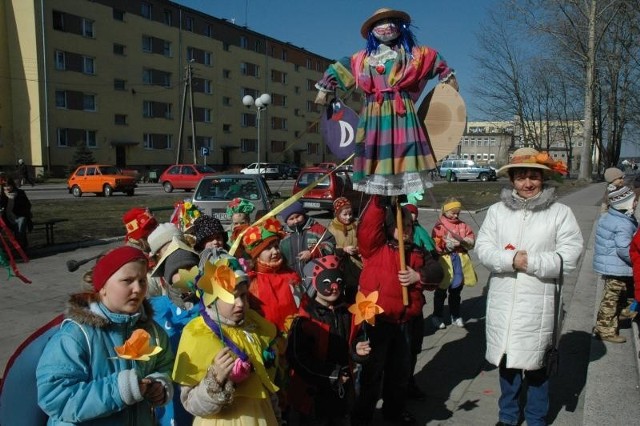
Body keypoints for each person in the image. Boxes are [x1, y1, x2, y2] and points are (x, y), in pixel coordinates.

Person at [475, 147, 583, 426]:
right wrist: (511, 259)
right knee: (507, 365)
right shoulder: (497, 212)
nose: (527, 183)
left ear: (542, 178)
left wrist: (531, 262)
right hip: (504, 301)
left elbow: (570, 254)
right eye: (521, 177)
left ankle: (536, 418)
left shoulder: (560, 212)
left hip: (538, 302)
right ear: (511, 179)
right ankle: (508, 417)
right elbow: (484, 249)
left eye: (533, 177)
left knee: (537, 367)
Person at [314, 8, 458, 195]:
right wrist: (325, 89)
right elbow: (338, 69)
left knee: (404, 146)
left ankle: (400, 203)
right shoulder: (361, 59)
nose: (385, 26)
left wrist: (448, 78)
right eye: (380, 23)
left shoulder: (412, 55)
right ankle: (383, 206)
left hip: (402, 112)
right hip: (374, 113)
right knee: (374, 149)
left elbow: (433, 59)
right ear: (372, 30)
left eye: (390, 21)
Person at [36, 246, 175, 425]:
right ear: (102, 287)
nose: (138, 289)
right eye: (128, 280)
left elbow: (165, 365)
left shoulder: (153, 332)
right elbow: (55, 396)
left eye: (142, 281)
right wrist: (120, 390)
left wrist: (160, 384)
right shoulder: (77, 336)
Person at [351, 195, 439, 425]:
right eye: (401, 226)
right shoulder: (374, 248)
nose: (406, 231)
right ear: (390, 228)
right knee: (371, 373)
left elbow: (437, 273)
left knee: (399, 374)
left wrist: (418, 276)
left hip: (406, 322)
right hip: (377, 320)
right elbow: (369, 226)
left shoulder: (418, 252)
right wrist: (381, 199)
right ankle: (362, 416)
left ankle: (394, 413)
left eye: (409, 226)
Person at [172, 250, 281, 424]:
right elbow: (190, 403)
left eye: (243, 295)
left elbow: (267, 385)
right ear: (211, 300)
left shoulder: (255, 326)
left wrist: (276, 416)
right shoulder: (198, 334)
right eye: (230, 297)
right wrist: (216, 378)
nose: (240, 303)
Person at [286, 255, 371, 426]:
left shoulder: (350, 312)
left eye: (338, 281)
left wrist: (358, 351)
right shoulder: (305, 320)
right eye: (327, 282)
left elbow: (357, 336)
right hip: (314, 396)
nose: (334, 287)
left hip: (343, 392)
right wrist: (332, 375)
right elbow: (297, 358)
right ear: (314, 283)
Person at [593, 185, 638, 343]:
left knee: (617, 296)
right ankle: (605, 329)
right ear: (624, 204)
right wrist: (634, 259)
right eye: (634, 201)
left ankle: (620, 314)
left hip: (611, 265)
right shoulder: (623, 224)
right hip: (617, 266)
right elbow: (624, 248)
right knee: (611, 299)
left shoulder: (613, 217)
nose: (636, 204)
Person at [242, 217, 303, 333]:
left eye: (276, 246)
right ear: (257, 254)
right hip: (266, 337)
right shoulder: (251, 280)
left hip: (293, 335)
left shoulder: (291, 275)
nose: (275, 252)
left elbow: (302, 304)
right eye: (268, 248)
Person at [430, 197, 477, 329]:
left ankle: (455, 315)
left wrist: (466, 241)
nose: (456, 215)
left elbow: (471, 237)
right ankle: (437, 316)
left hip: (459, 263)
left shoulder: (463, 225)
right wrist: (446, 245)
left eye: (458, 213)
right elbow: (436, 242)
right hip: (445, 262)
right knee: (441, 291)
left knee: (456, 291)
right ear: (445, 211)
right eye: (453, 212)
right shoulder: (440, 225)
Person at [279, 201, 336, 296]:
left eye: (298, 216)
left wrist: (312, 252)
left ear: (303, 214)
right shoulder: (282, 236)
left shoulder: (317, 229)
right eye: (291, 219)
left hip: (316, 277)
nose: (296, 221)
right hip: (293, 279)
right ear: (286, 221)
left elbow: (330, 243)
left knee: (314, 301)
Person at [327, 197, 363, 303]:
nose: (348, 217)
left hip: (357, 266)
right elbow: (329, 247)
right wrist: (343, 249)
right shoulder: (332, 228)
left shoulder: (357, 225)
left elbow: (364, 243)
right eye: (345, 214)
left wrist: (359, 250)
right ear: (338, 214)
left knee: (355, 295)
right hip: (340, 267)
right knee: (340, 295)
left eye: (350, 214)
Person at [0, 177, 33, 249]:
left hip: (18, 216)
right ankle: (13, 246)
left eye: (8, 186)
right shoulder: (2, 195)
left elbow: (27, 205)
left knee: (21, 221)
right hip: (6, 218)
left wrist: (22, 213)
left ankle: (20, 243)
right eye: (5, 186)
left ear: (13, 185)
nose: (7, 188)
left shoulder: (20, 193)